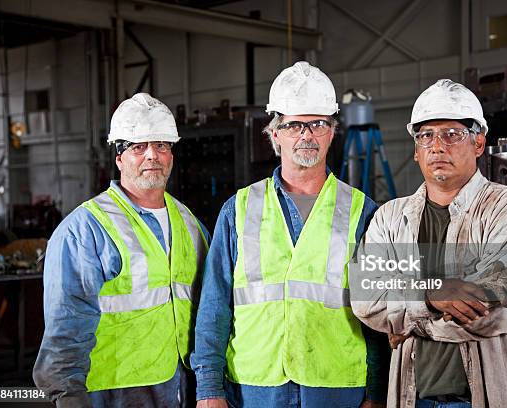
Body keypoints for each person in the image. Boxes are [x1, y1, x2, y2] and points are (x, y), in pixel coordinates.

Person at [192, 61, 389, 408]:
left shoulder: (364, 212)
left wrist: (376, 390)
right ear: (275, 133)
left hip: (338, 387)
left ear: (332, 131)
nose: (306, 135)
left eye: (317, 124)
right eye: (295, 125)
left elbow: (379, 314)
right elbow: (214, 306)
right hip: (254, 387)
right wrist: (209, 387)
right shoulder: (237, 209)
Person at [350, 79, 507, 407]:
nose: (437, 146)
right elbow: (365, 298)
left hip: (487, 397)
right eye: (426, 135)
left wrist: (405, 322)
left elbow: (496, 313)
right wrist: (432, 295)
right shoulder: (390, 218)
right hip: (413, 397)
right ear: (416, 151)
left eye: (452, 134)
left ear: (478, 142)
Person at [33, 93, 210, 407]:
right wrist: (67, 397)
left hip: (182, 388)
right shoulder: (86, 229)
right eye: (138, 147)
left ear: (172, 154)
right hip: (112, 393)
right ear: (118, 157)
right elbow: (67, 326)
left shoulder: (190, 224)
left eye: (162, 145)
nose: (152, 156)